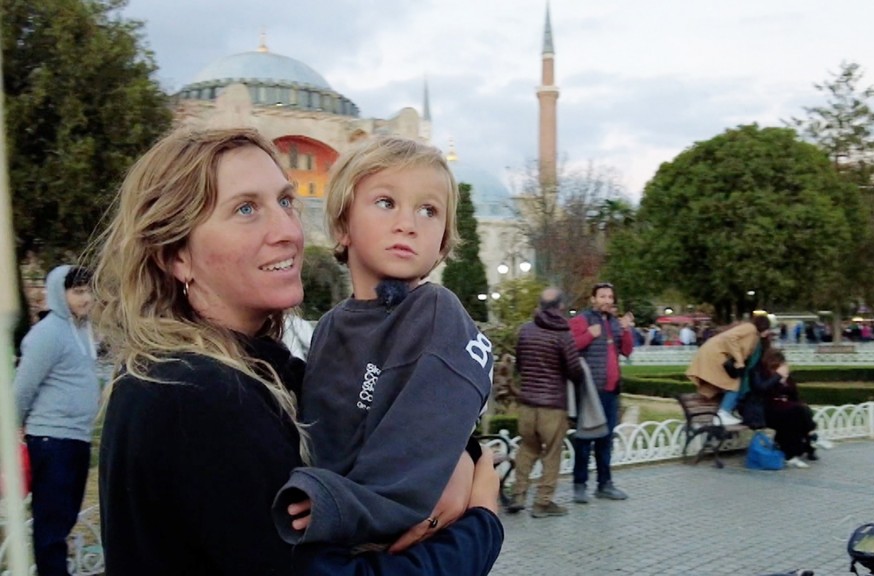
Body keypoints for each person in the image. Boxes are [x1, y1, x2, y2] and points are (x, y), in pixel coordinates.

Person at [93, 127, 502, 575]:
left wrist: (464, 456)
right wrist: (481, 524)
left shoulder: (262, 367)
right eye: (246, 209)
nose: (287, 230)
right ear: (176, 255)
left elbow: (394, 414)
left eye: (285, 201)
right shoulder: (190, 392)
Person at [273, 134, 494, 548]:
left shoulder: (435, 312)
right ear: (342, 226)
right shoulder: (329, 328)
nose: (407, 223)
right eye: (386, 202)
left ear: (443, 241)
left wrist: (336, 503)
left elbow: (420, 444)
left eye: (428, 210)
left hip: (388, 540)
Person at [15, 265, 99, 576]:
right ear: (58, 293)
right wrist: (13, 426)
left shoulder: (82, 331)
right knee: (52, 523)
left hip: (77, 438)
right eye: (78, 291)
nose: (86, 298)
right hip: (52, 440)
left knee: (63, 519)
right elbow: (23, 386)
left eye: (88, 291)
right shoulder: (47, 334)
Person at [507, 287, 585, 518]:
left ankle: (518, 495)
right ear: (560, 307)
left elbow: (520, 366)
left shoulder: (526, 331)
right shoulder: (563, 334)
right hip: (552, 406)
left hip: (527, 404)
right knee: (552, 453)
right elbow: (574, 370)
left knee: (527, 448)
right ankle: (543, 502)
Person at [568, 282, 634, 503]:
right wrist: (588, 335)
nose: (607, 300)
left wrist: (625, 330)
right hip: (589, 391)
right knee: (585, 439)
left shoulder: (615, 322)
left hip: (610, 392)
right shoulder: (581, 320)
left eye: (610, 297)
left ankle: (605, 484)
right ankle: (580, 485)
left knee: (606, 440)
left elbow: (626, 350)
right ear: (593, 299)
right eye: (602, 296)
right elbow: (569, 346)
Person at [685, 315, 772, 426]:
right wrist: (739, 360)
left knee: (727, 384)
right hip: (716, 355)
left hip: (715, 354)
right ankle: (723, 413)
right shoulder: (750, 328)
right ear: (764, 326)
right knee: (733, 384)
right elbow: (730, 338)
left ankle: (725, 412)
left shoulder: (753, 334)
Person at [741, 349, 819, 469]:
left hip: (784, 410)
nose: (780, 367)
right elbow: (761, 390)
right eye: (777, 365)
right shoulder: (758, 372)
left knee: (798, 412)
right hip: (763, 411)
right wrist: (777, 377)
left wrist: (785, 383)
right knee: (795, 413)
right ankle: (809, 439)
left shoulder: (784, 376)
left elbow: (794, 395)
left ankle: (793, 452)